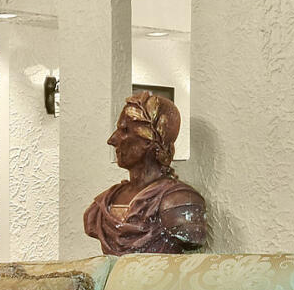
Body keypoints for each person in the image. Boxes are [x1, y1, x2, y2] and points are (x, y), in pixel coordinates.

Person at [81, 90, 210, 253]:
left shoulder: (180, 201)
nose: (112, 140)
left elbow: (192, 237)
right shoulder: (103, 204)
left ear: (149, 140)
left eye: (125, 131)